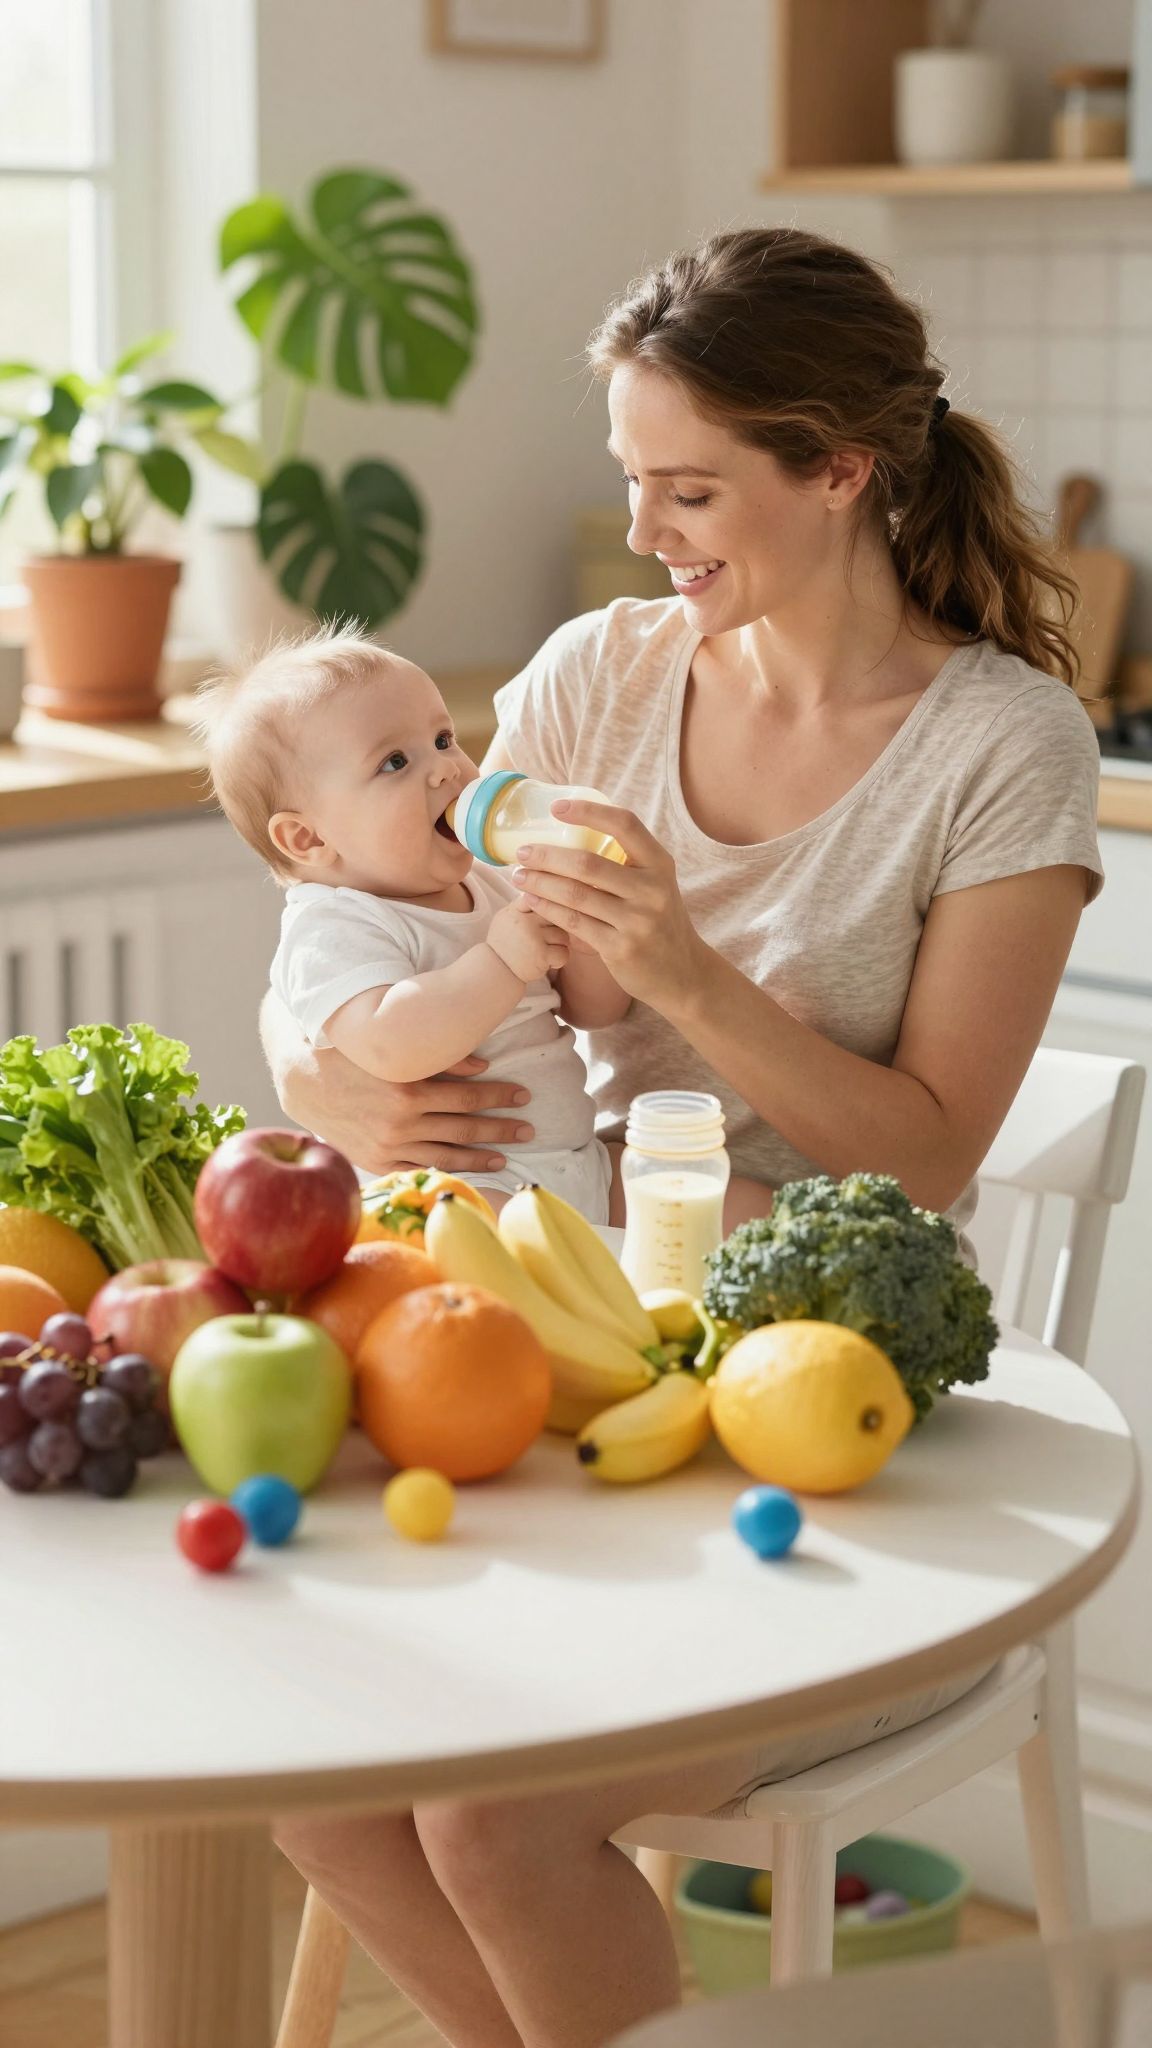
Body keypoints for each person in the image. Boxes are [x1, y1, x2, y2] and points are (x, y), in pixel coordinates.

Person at [268, 227, 1102, 2048]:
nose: (644, 529)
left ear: (841, 469)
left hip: (833, 1409)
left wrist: (685, 971)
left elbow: (926, 1160)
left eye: (692, 489)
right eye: (632, 479)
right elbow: (388, 939)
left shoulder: (1003, 748)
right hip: (571, 1348)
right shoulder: (599, 677)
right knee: (312, 1775)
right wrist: (338, 1080)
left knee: (492, 1815)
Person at [195, 635, 619, 1218]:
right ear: (308, 838)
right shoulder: (333, 927)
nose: (447, 768)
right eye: (395, 762)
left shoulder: (490, 881)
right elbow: (390, 1043)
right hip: (461, 1186)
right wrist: (501, 963)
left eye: (443, 739)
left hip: (582, 1164)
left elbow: (596, 1012)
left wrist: (588, 931)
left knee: (731, 1205)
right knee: (477, 1238)